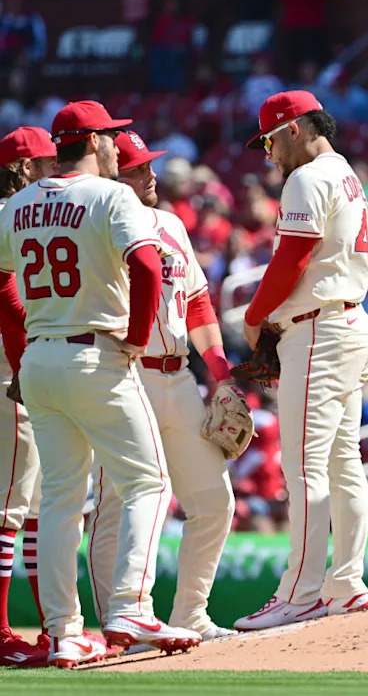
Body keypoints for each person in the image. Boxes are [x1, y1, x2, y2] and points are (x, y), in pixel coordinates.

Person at [0, 101, 203, 667]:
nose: (118, 144)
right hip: (97, 354)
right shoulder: (114, 196)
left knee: (63, 498)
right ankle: (130, 606)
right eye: (111, 135)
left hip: (40, 358)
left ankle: (64, 632)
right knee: (148, 482)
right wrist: (138, 337)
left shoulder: (20, 203)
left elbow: (0, 284)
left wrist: (24, 348)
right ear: (91, 142)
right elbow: (146, 267)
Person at [86, 131, 240, 642]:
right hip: (128, 374)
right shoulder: (101, 223)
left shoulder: (171, 224)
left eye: (150, 166)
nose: (151, 175)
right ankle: (118, 621)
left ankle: (191, 613)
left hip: (179, 378)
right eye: (137, 169)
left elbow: (197, 303)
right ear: (113, 177)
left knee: (214, 501)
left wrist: (221, 375)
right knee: (118, 501)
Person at [233, 90, 368, 629]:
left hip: (318, 330)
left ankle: (302, 591)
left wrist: (255, 316)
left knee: (303, 468)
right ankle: (346, 583)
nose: (268, 152)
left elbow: (293, 256)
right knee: (343, 464)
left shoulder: (307, 177)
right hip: (347, 322)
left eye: (270, 139)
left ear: (295, 128)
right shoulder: (346, 174)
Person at [0, 127, 58, 666]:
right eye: (47, 162)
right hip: (9, 368)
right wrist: (25, 364)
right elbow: (6, 297)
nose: (55, 170)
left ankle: (49, 628)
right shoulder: (7, 214)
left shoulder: (28, 213)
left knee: (39, 504)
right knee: (10, 504)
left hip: (29, 362)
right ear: (23, 170)